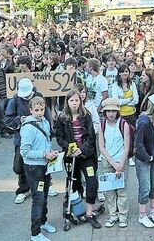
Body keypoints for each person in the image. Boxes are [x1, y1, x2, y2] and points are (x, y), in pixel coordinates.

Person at [55, 89, 102, 229]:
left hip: (85, 155)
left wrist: (81, 149)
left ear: (80, 101)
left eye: (76, 100)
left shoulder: (86, 115)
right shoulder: (62, 118)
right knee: (73, 183)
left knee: (92, 181)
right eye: (71, 100)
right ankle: (74, 209)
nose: (74, 103)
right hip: (71, 157)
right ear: (67, 102)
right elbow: (59, 137)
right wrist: (70, 148)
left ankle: (89, 213)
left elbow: (90, 136)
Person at [6, 78, 57, 204]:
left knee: (45, 162)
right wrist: (19, 120)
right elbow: (8, 120)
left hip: (41, 138)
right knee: (21, 166)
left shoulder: (39, 97)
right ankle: (23, 189)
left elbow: (47, 115)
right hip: (23, 138)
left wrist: (49, 131)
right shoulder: (15, 100)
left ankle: (47, 185)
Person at [20, 96, 58, 241]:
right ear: (30, 110)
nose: (40, 112)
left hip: (45, 166)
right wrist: (44, 154)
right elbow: (24, 152)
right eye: (36, 110)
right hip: (33, 168)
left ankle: (43, 221)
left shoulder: (46, 122)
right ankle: (35, 233)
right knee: (38, 199)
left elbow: (46, 141)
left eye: (42, 109)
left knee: (45, 196)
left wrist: (51, 152)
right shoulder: (28, 128)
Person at [97, 98, 132, 229]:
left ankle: (123, 215)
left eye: (113, 111)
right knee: (109, 191)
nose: (110, 113)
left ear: (117, 111)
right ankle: (113, 215)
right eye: (108, 111)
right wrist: (112, 162)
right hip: (107, 161)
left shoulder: (124, 124)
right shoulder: (102, 125)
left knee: (122, 190)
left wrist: (120, 164)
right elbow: (101, 146)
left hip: (121, 161)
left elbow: (127, 147)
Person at [134, 103, 154, 228]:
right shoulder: (144, 122)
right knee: (145, 188)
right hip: (144, 160)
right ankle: (142, 216)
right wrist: (148, 157)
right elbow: (138, 142)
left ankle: (152, 212)